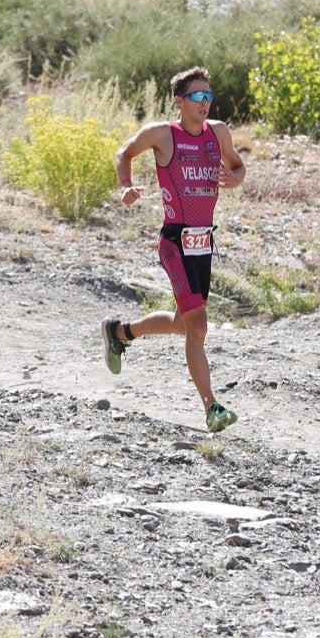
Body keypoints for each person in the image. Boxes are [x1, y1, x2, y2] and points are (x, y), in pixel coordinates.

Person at [102, 66, 247, 433]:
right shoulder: (163, 134)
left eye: (209, 95)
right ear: (179, 101)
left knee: (185, 325)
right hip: (174, 242)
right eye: (197, 96)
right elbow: (124, 152)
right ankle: (211, 407)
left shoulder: (218, 132)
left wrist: (236, 177)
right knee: (198, 328)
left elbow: (238, 165)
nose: (205, 102)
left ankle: (120, 333)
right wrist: (125, 185)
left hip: (203, 241)